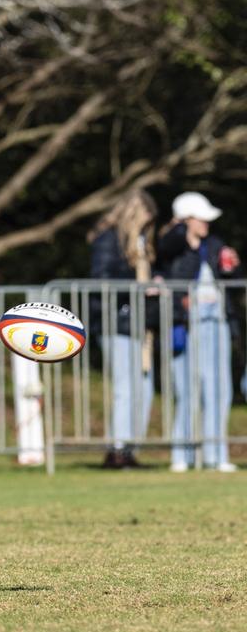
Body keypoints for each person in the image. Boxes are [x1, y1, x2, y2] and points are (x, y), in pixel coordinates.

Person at [156, 192, 241, 473]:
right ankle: (183, 454)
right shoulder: (173, 244)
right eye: (201, 218)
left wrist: (231, 265)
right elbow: (166, 251)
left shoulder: (214, 245)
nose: (206, 224)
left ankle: (217, 453)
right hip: (185, 324)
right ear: (187, 219)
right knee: (187, 389)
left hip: (216, 323)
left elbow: (232, 276)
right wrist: (182, 233)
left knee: (219, 388)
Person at [88, 190, 159, 469]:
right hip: (115, 322)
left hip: (139, 325)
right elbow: (101, 278)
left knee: (144, 388)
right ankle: (116, 449)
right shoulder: (109, 240)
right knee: (125, 388)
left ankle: (130, 447)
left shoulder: (140, 243)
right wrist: (135, 284)